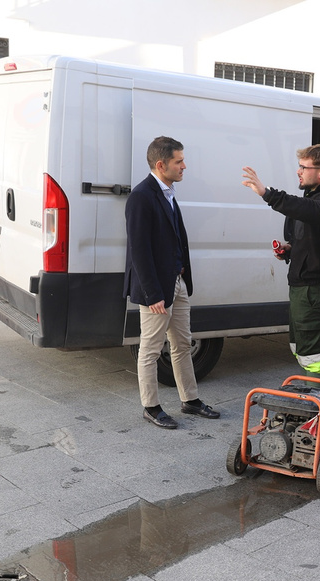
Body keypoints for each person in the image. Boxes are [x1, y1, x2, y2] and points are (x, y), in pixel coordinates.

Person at [124, 136, 220, 429]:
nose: (184, 166)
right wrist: (153, 294)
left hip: (176, 283)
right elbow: (138, 250)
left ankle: (189, 400)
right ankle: (151, 407)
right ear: (161, 164)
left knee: (182, 344)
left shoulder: (168, 192)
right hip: (157, 291)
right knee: (151, 350)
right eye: (179, 161)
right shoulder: (141, 196)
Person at [242, 142, 320, 381]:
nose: (298, 171)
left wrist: (267, 193)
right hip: (305, 286)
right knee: (302, 350)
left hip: (315, 288)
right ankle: (311, 400)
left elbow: (310, 210)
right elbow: (310, 237)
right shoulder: (313, 197)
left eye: (303, 167)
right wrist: (289, 250)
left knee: (313, 358)